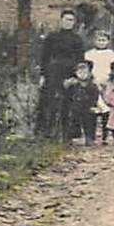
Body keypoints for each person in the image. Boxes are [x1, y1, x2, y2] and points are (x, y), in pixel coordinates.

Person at [36, 10, 87, 139]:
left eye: (71, 20)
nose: (68, 22)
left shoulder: (77, 39)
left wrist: (75, 77)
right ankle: (46, 132)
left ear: (74, 22)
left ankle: (68, 134)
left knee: (68, 104)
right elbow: (45, 57)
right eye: (66, 19)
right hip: (53, 73)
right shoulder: (52, 37)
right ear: (61, 20)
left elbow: (81, 60)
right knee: (48, 102)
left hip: (70, 73)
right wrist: (43, 75)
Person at [62, 59, 101, 145]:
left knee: (90, 121)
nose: (82, 75)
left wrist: (93, 105)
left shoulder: (92, 84)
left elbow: (95, 95)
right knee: (73, 121)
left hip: (88, 106)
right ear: (76, 73)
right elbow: (68, 95)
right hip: (75, 106)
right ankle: (70, 138)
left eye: (85, 73)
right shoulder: (73, 84)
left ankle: (89, 138)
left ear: (89, 73)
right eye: (80, 73)